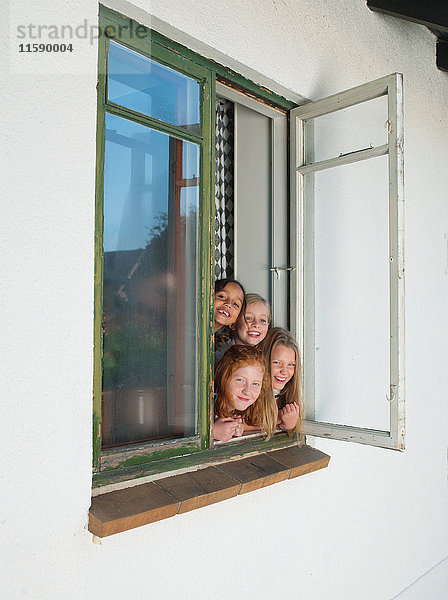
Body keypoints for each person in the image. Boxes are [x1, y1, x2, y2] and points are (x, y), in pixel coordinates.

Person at [213, 345, 276, 442]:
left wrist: (233, 427)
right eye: (240, 380)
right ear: (223, 377)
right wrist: (212, 432)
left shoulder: (235, 412)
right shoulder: (203, 406)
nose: (247, 391)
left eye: (255, 384)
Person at [258, 327, 303, 436]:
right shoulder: (250, 393)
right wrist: (281, 424)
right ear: (263, 361)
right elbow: (242, 424)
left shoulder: (286, 396)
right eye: (277, 363)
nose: (284, 371)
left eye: (291, 365)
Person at [215, 292, 271, 362]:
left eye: (262, 320)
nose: (256, 324)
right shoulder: (221, 357)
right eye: (249, 318)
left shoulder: (266, 357)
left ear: (268, 325)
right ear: (233, 324)